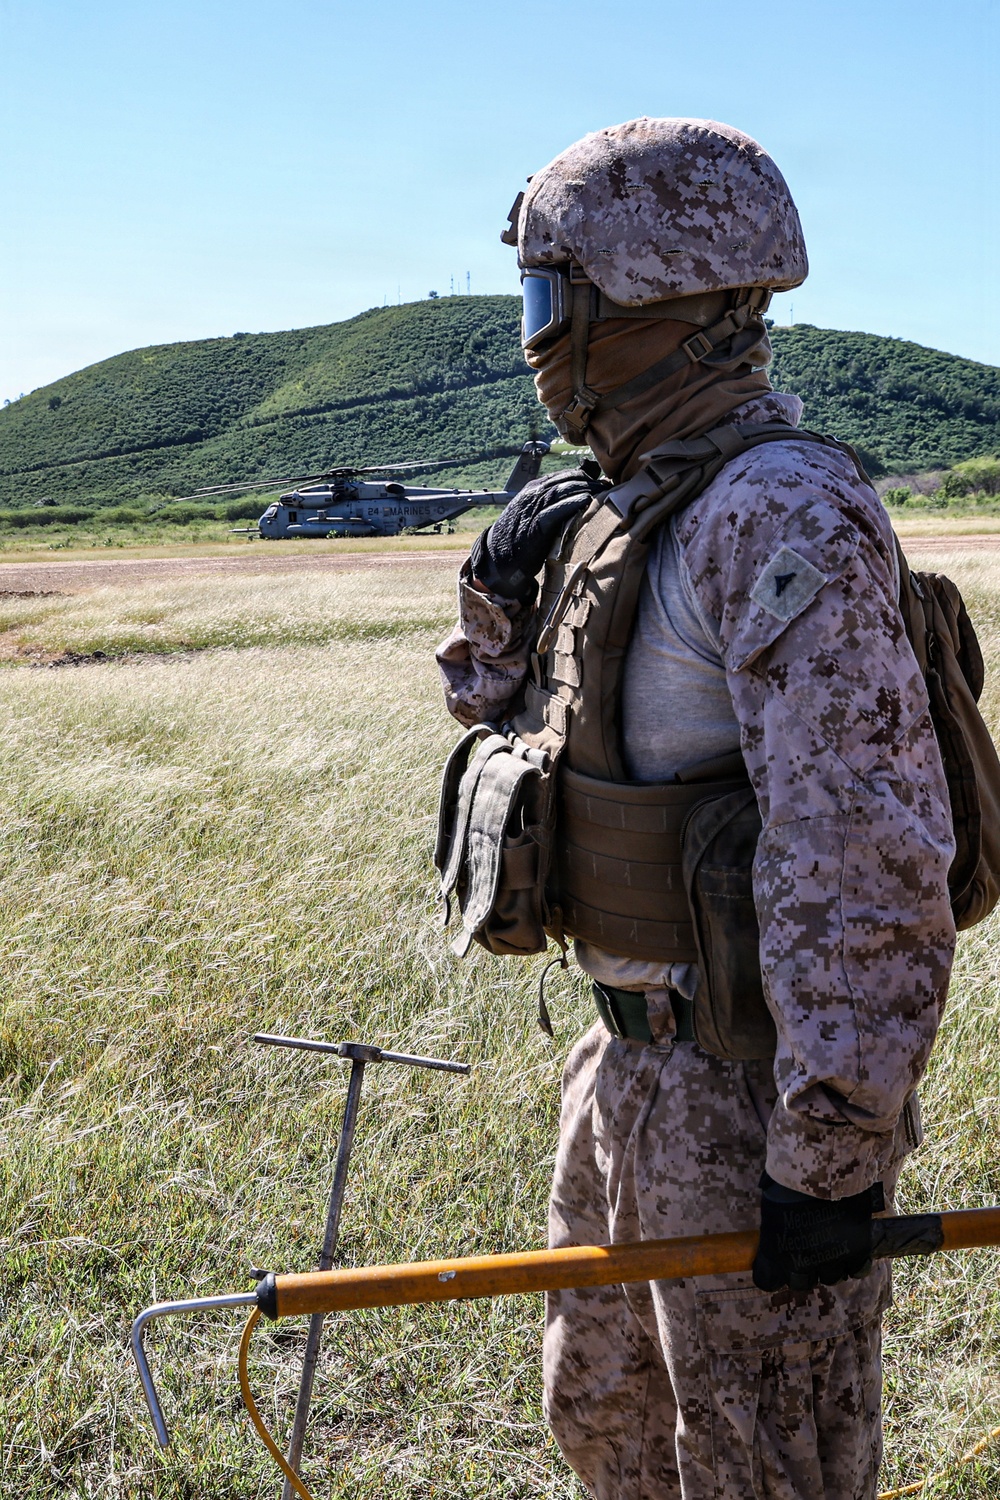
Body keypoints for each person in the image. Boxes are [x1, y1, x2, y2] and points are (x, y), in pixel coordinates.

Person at [437, 118, 956, 1500]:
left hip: (744, 1095)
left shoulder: (779, 513)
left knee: (762, 1465)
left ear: (649, 304)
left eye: (552, 301)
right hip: (624, 1069)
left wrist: (828, 1152)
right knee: (606, 1425)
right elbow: (510, 725)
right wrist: (500, 590)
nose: (537, 340)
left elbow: (863, 854)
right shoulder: (622, 508)